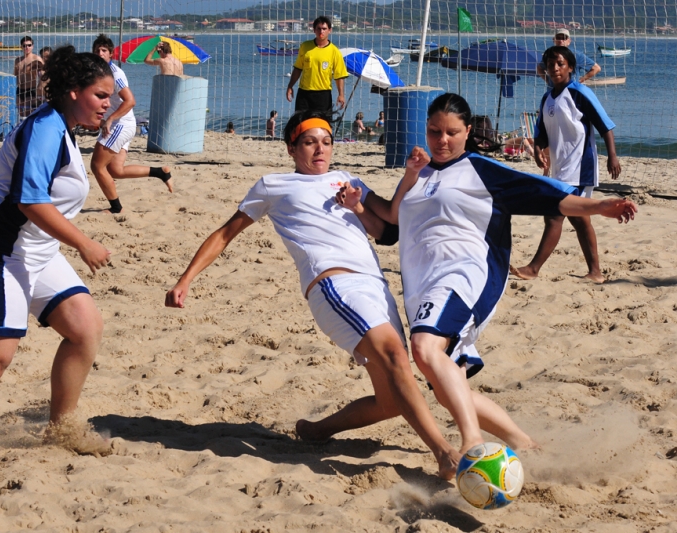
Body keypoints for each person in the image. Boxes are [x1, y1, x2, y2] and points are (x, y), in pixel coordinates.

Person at [165, 110, 462, 479]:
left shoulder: (347, 179)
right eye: (309, 142)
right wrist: (186, 279)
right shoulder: (274, 185)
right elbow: (226, 233)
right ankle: (445, 452)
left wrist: (410, 175)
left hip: (376, 285)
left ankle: (317, 430)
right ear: (292, 148)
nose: (320, 149)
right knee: (394, 357)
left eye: (326, 141)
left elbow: (390, 218)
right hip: (334, 285)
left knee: (391, 401)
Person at [333, 93, 636, 454]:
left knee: (424, 348)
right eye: (434, 131)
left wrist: (599, 205)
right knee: (447, 388)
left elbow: (545, 194)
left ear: (467, 132)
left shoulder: (481, 169)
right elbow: (392, 224)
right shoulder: (421, 173)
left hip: (464, 275)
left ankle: (472, 443)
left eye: (452, 132)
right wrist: (359, 204)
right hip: (420, 286)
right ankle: (528, 446)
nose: (442, 140)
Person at [0, 45, 114, 452]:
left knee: (85, 329)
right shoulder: (46, 128)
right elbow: (29, 201)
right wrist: (83, 242)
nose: (108, 103)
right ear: (73, 91)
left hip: (37, 251)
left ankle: (60, 431)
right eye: (101, 95)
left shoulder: (62, 126)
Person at [512, 47, 622, 284]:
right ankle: (595, 272)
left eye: (560, 64)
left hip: (580, 168)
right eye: (550, 64)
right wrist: (538, 150)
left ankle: (533, 268)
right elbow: (541, 133)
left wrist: (612, 156)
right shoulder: (547, 98)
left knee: (554, 215)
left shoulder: (580, 92)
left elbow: (605, 126)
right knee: (579, 218)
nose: (555, 68)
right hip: (559, 169)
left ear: (570, 67)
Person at [89, 34, 173, 214]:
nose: (100, 53)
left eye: (104, 50)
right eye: (97, 50)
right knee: (116, 171)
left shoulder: (115, 73)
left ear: (111, 53)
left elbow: (130, 101)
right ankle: (161, 172)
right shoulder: (98, 72)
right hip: (123, 124)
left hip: (120, 124)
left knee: (97, 166)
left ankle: (115, 207)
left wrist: (110, 119)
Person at [285, 16, 348, 122]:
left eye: (324, 29)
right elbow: (298, 68)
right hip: (304, 93)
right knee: (300, 125)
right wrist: (290, 86)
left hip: (323, 95)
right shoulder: (305, 46)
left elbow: (339, 76)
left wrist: (341, 95)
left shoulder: (335, 51)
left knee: (323, 125)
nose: (321, 31)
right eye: (318, 28)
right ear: (314, 30)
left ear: (329, 30)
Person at [13, 36, 43, 118]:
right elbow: (15, 75)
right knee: (20, 115)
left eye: (29, 45)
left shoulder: (36, 58)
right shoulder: (18, 60)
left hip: (30, 90)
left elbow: (44, 74)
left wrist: (40, 88)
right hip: (19, 90)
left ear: (32, 46)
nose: (27, 47)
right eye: (24, 45)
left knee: (28, 114)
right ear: (21, 47)